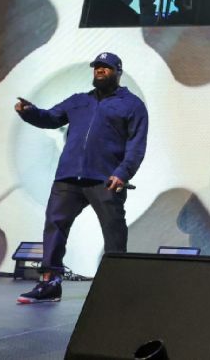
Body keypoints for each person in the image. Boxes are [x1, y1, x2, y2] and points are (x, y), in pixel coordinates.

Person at [14, 52, 148, 304]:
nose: (99, 70)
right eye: (97, 67)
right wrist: (29, 112)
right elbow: (51, 118)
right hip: (68, 178)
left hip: (105, 179)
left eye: (105, 68)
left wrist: (122, 173)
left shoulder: (132, 105)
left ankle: (115, 284)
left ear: (118, 72)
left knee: (113, 231)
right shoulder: (78, 101)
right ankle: (50, 284)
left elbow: (137, 144)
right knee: (55, 227)